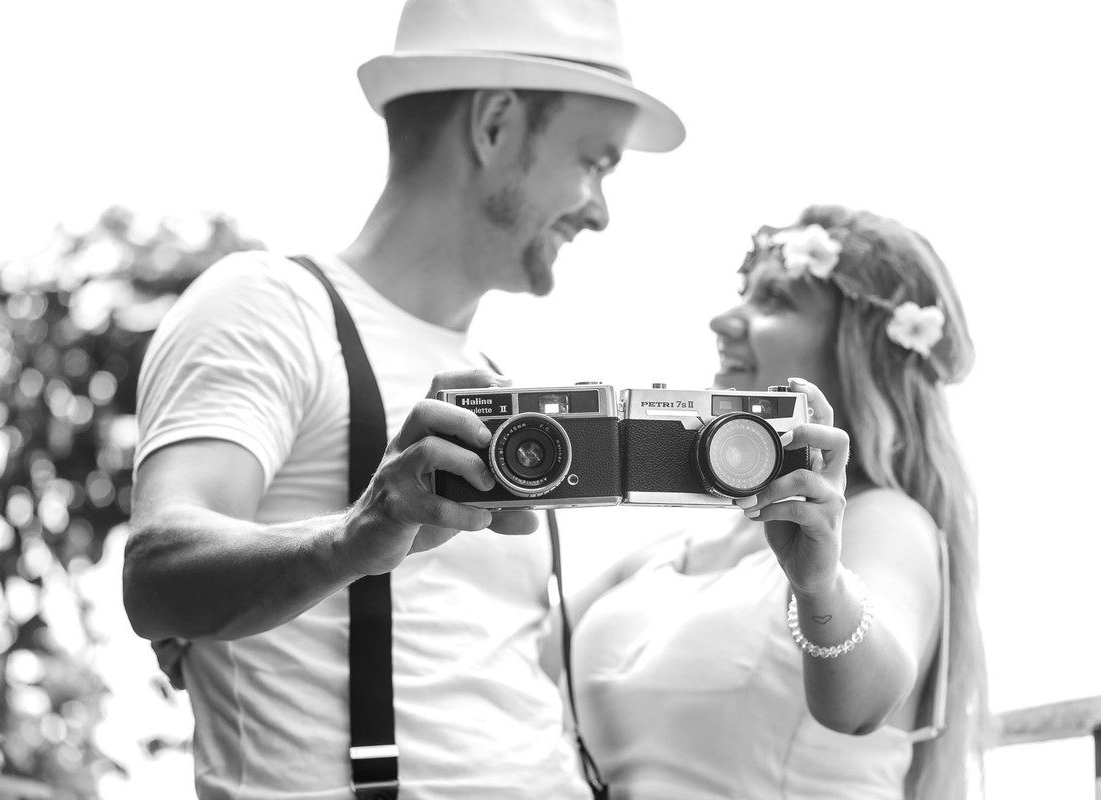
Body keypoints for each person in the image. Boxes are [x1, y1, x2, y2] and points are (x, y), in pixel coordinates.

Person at [121, 1, 684, 798]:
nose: (599, 209)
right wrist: (358, 534)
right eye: (594, 161)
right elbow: (157, 572)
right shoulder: (272, 306)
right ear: (495, 125)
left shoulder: (493, 382)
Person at [567, 205, 988, 799]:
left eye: (775, 301)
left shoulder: (887, 522)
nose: (723, 319)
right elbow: (509, 659)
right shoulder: (666, 550)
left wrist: (820, 585)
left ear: (856, 351)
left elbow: (864, 704)